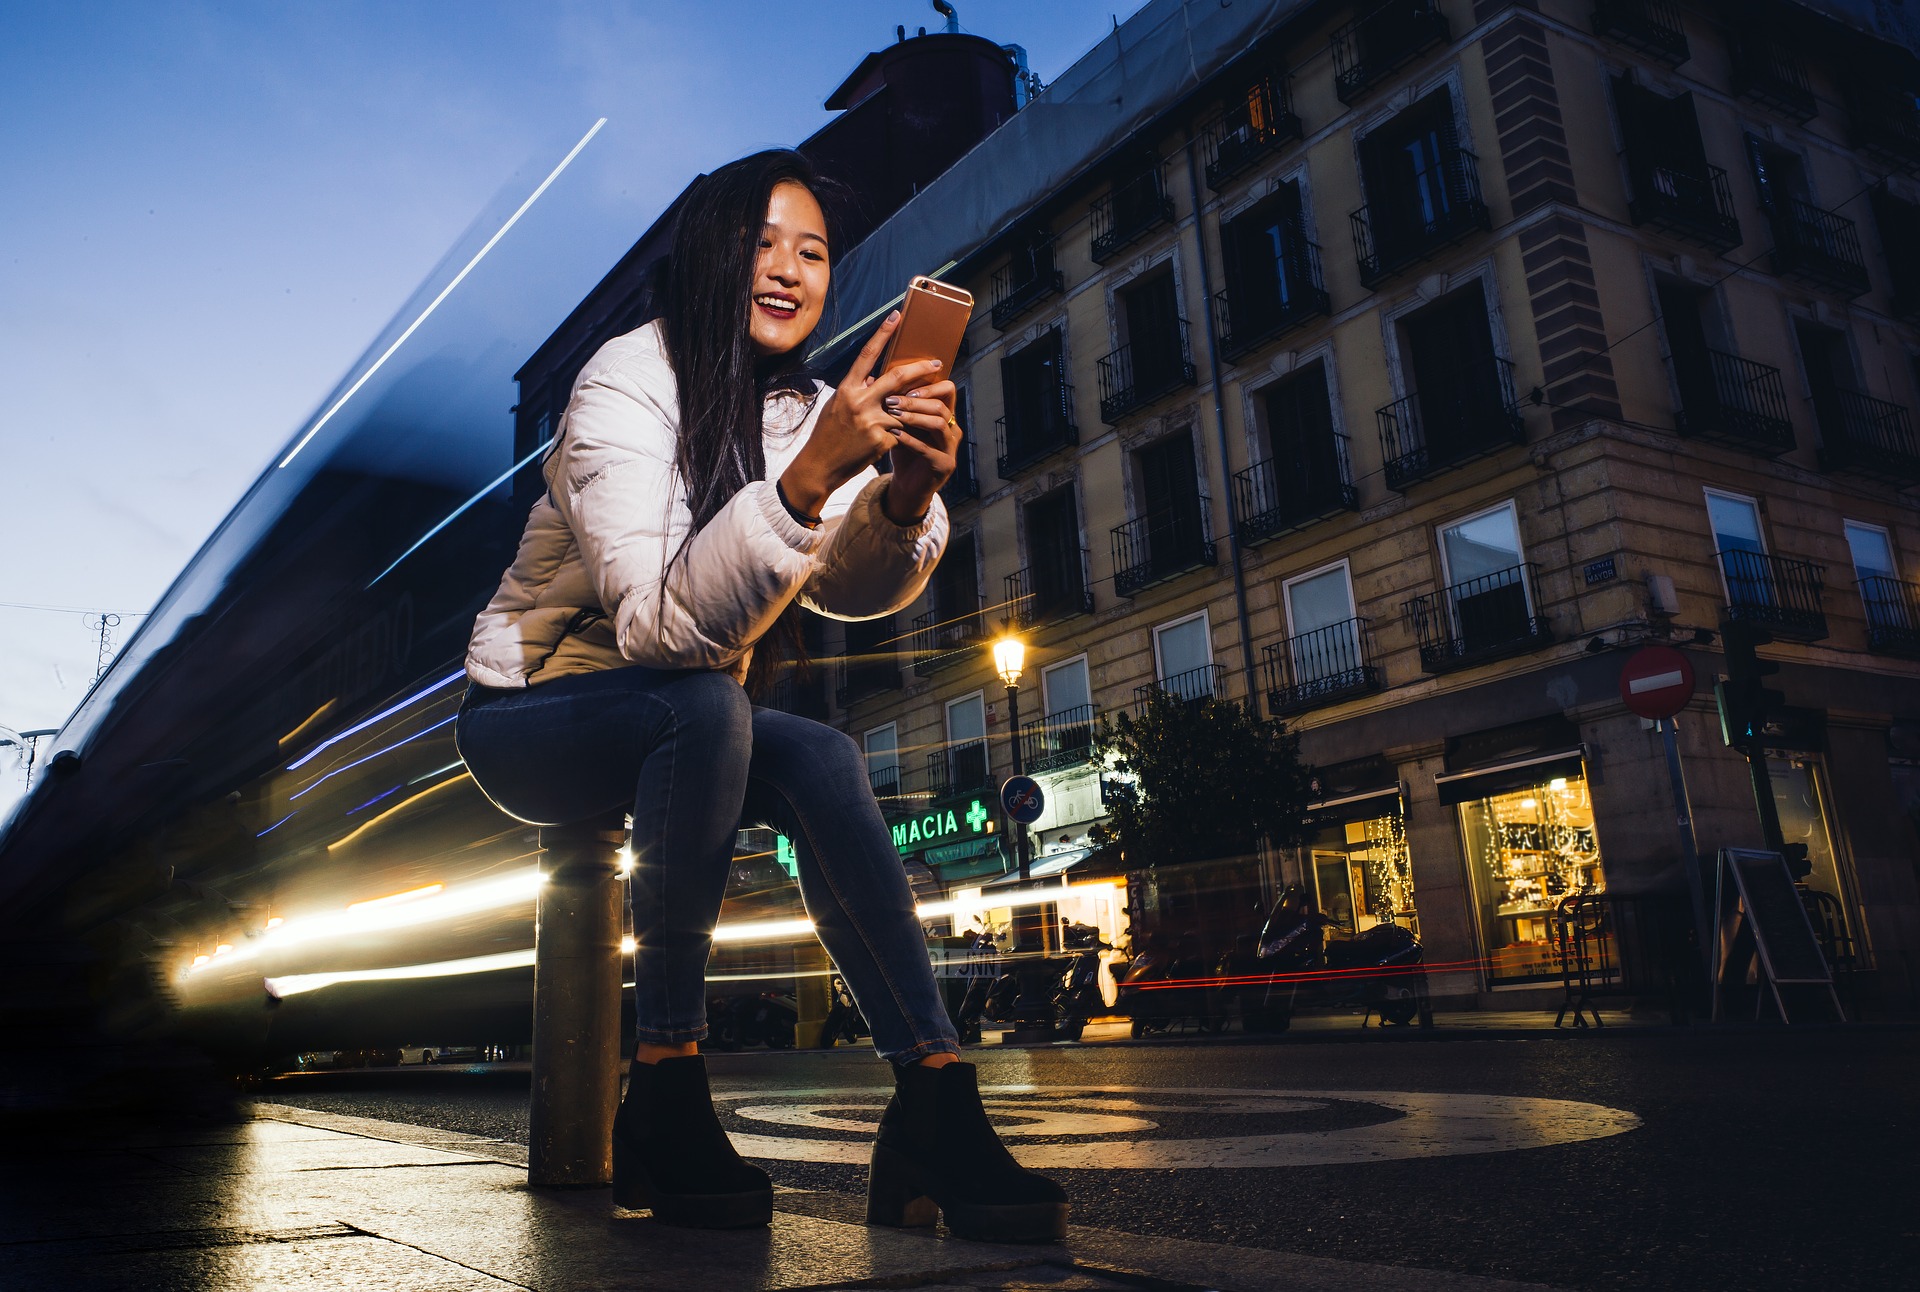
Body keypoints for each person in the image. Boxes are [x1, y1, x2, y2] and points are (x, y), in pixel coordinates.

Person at [454, 150, 1066, 1241]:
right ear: (710, 256)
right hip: (532, 715)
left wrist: (908, 493)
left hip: (689, 719)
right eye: (762, 244)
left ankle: (933, 1094)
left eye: (814, 252)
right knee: (703, 705)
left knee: (820, 756)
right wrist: (805, 483)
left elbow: (847, 587)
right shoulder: (623, 381)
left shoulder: (803, 410)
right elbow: (650, 626)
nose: (788, 270)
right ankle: (668, 1082)